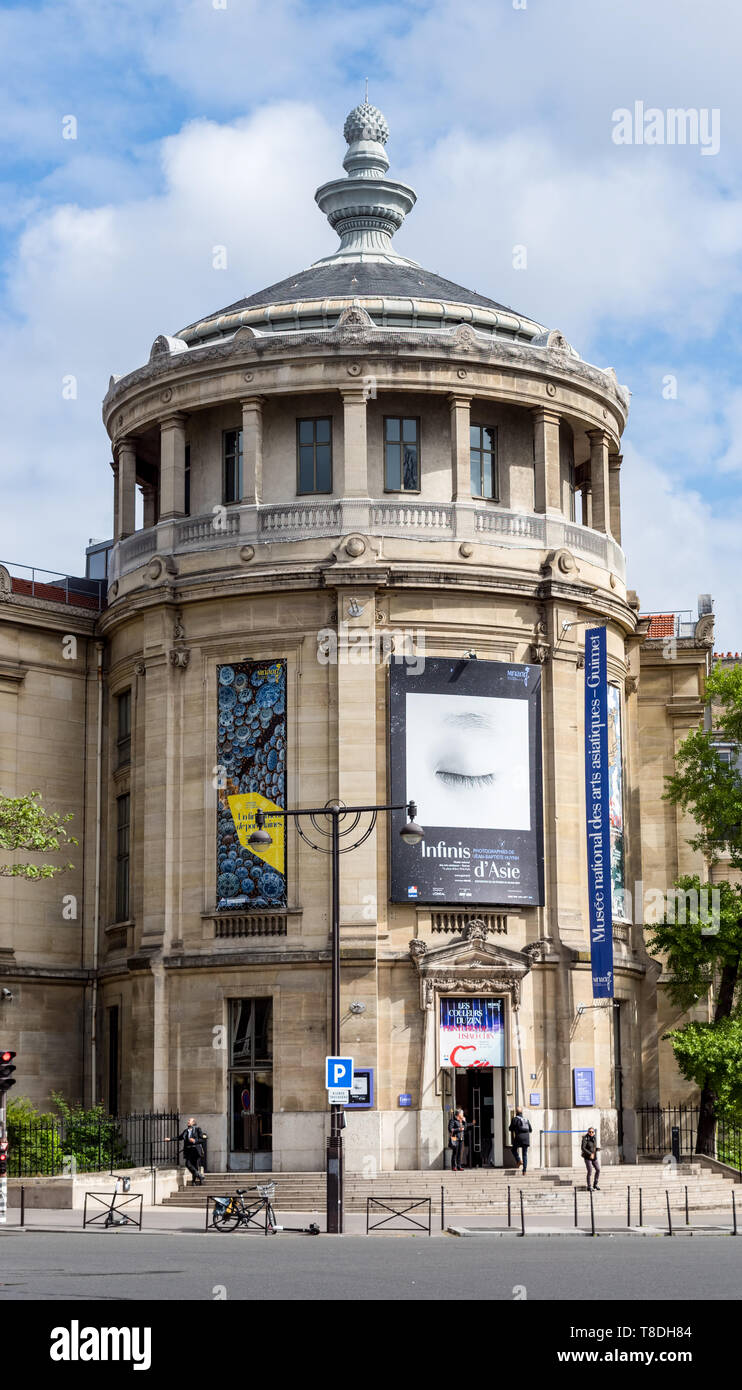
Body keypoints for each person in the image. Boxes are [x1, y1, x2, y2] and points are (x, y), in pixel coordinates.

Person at [165, 1118, 207, 1185]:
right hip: (188, 1150)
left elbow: (202, 1139)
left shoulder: (197, 1129)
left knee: (195, 1166)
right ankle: (200, 1176)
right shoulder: (186, 1131)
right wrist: (170, 1139)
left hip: (195, 1150)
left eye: (189, 1121)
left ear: (193, 1123)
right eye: (188, 1121)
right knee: (188, 1164)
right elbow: (179, 1137)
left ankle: (194, 1181)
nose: (188, 1122)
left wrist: (195, 1140)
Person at [509, 1107, 532, 1172]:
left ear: (516, 1112)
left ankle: (519, 1160)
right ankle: (524, 1170)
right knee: (524, 1153)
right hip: (526, 1138)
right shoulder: (526, 1119)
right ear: (522, 1112)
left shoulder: (515, 1119)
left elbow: (510, 1128)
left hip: (519, 1137)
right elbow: (530, 1130)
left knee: (513, 1150)